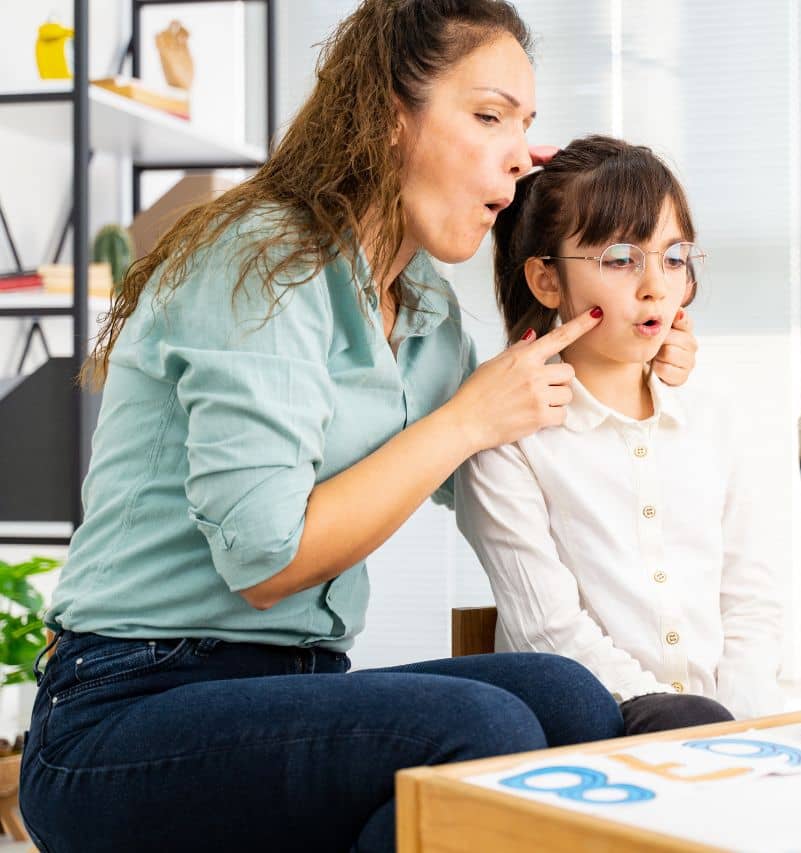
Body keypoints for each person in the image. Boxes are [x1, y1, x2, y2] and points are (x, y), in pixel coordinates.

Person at [18, 3, 700, 851]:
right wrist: (464, 418)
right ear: (388, 118)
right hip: (126, 706)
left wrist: (627, 364)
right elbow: (266, 561)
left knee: (570, 700)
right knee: (482, 728)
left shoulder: (424, 311)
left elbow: (508, 471)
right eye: (489, 117)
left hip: (296, 689)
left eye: (526, 127)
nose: (518, 154)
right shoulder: (259, 260)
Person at [455, 136, 784, 737]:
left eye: (674, 257)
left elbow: (751, 601)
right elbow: (547, 631)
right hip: (591, 730)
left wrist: (740, 725)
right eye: (620, 259)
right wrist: (691, 726)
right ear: (547, 280)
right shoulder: (508, 434)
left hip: (723, 736)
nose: (655, 285)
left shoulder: (711, 413)